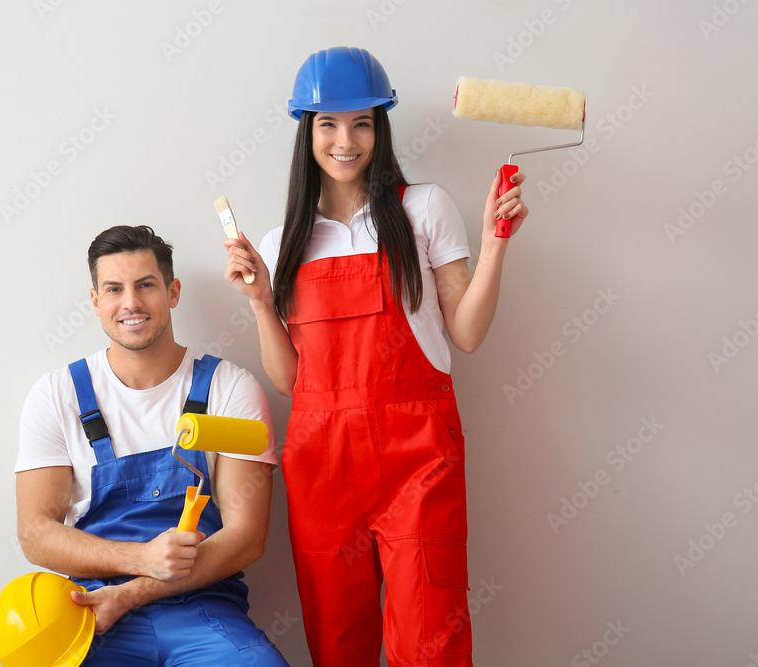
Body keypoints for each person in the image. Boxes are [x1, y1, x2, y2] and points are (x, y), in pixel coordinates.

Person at [222, 47, 529, 666]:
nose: (346, 140)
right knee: (338, 644)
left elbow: (465, 334)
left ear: (380, 127)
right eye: (328, 124)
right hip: (321, 464)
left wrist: (496, 245)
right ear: (307, 130)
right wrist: (259, 302)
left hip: (417, 456)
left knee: (430, 640)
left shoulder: (424, 207)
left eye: (362, 122)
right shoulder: (286, 241)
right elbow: (289, 381)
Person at [16, 225, 289, 666]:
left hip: (203, 606)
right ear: (95, 302)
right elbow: (35, 534)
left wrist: (134, 591)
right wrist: (142, 558)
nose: (131, 303)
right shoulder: (57, 394)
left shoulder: (229, 387)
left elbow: (246, 538)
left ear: (173, 291)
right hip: (94, 612)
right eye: (114, 289)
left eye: (146, 285)